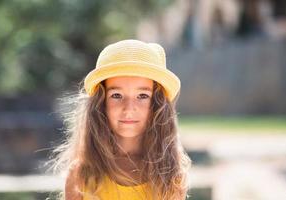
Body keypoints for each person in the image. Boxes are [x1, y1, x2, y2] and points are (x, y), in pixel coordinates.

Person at [51, 39, 191, 200]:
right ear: (100, 104)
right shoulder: (81, 175)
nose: (129, 108)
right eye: (116, 95)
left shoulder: (171, 175)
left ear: (157, 105)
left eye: (142, 96)